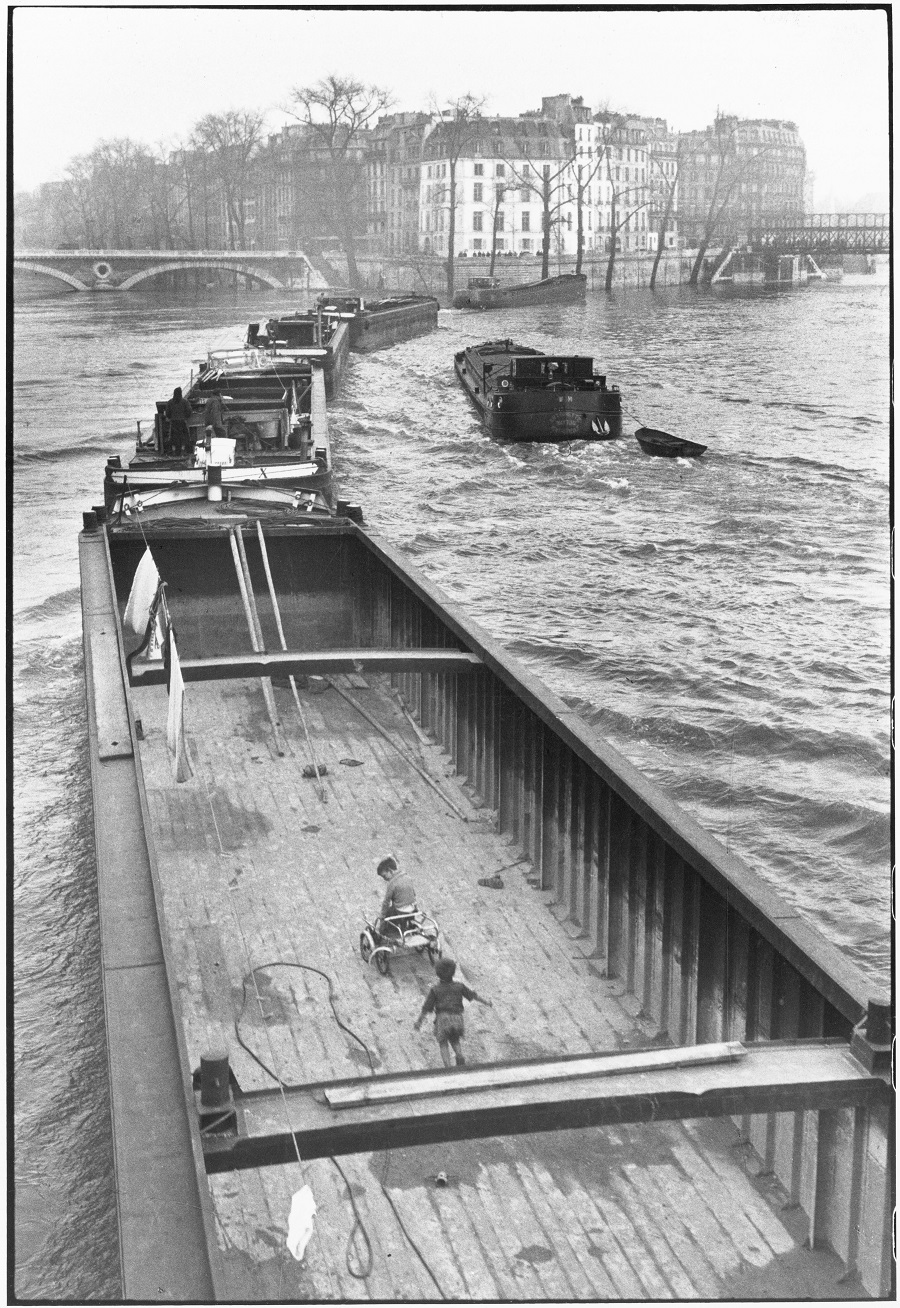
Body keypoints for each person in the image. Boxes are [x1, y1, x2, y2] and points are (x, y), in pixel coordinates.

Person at [414, 957, 491, 1067]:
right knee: (454, 1039)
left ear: (438, 973)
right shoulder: (459, 986)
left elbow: (426, 1008)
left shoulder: (435, 990)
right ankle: (459, 1054)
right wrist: (487, 1002)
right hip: (457, 1018)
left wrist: (419, 1022)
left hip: (443, 1019)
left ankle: (448, 1067)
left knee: (443, 1042)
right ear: (453, 972)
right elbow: (473, 996)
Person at [374, 856, 416, 942]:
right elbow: (413, 893)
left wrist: (382, 915)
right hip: (413, 909)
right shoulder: (407, 877)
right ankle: (406, 927)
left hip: (401, 911)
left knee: (387, 914)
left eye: (384, 876)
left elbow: (386, 902)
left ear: (390, 871)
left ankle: (387, 933)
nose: (385, 879)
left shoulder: (392, 883)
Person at [165, 387, 193, 457]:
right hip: (183, 421)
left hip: (174, 422)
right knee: (185, 437)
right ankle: (186, 452)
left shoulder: (170, 402)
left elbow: (167, 413)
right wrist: (186, 417)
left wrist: (171, 417)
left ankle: (176, 452)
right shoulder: (185, 401)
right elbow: (189, 411)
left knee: (175, 438)